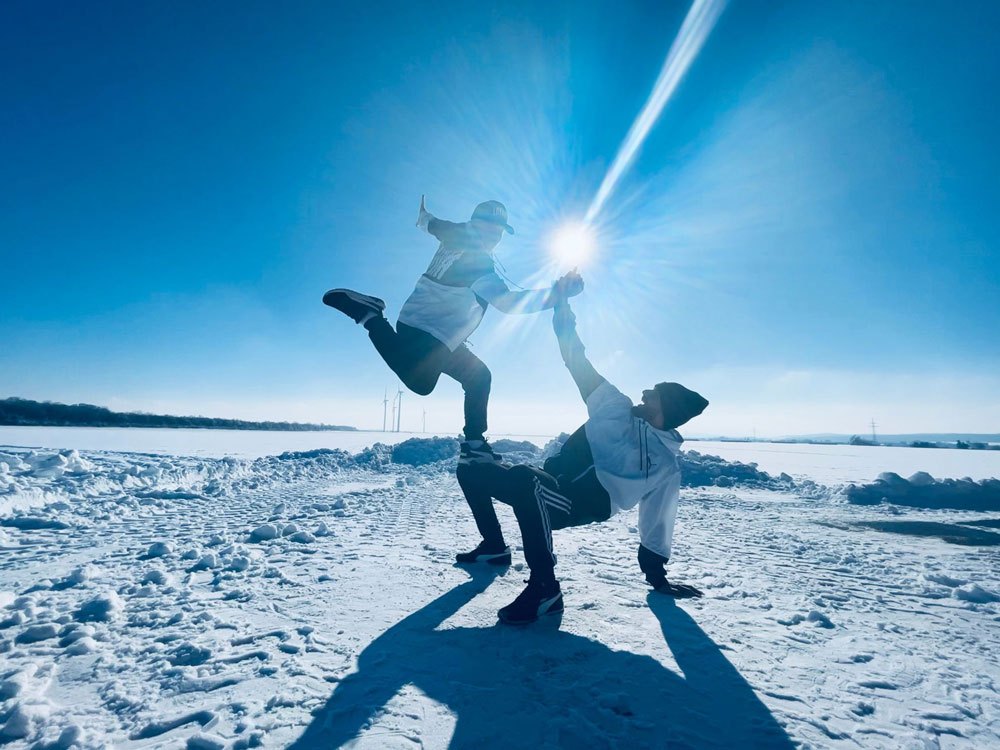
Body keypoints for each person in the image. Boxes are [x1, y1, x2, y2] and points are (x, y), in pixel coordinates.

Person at [456, 299, 709, 624]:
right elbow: (577, 360)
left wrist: (657, 577)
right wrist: (562, 311)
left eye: (655, 394)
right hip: (548, 486)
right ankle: (494, 545)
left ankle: (545, 588)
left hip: (582, 504)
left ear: (669, 410)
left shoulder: (665, 465)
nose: (645, 392)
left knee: (523, 478)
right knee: (470, 467)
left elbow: (658, 519)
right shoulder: (615, 406)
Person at [324, 196, 582, 464]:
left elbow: (432, 224)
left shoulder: (453, 233)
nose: (494, 237)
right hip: (431, 333)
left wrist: (423, 217)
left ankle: (475, 443)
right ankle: (371, 316)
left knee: (479, 376)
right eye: (488, 228)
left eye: (499, 232)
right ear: (474, 225)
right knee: (423, 384)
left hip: (428, 329)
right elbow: (510, 304)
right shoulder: (478, 263)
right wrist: (559, 293)